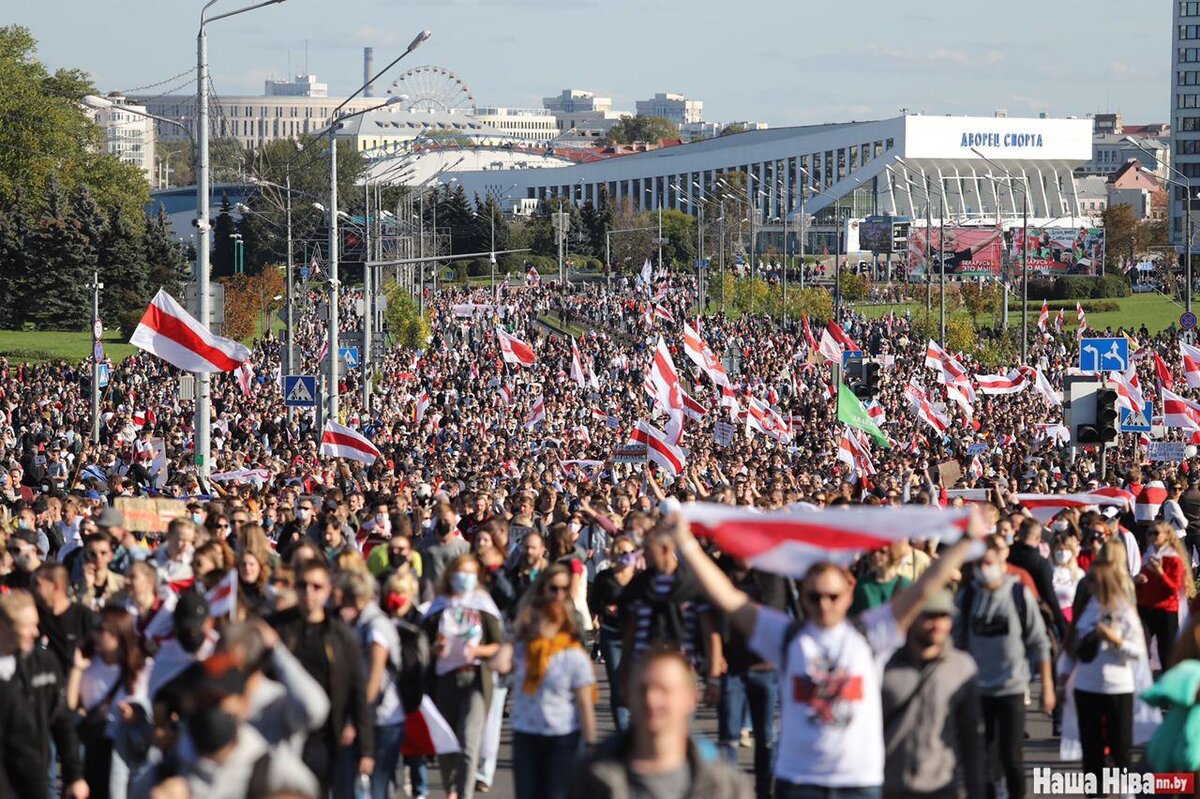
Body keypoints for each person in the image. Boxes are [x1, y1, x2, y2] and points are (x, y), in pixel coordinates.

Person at [668, 510, 983, 799]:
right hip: (799, 779)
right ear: (802, 597)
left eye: (832, 596)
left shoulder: (870, 634)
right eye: (814, 596)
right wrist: (686, 543)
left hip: (859, 782)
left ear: (849, 595)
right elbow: (727, 597)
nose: (823, 604)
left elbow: (924, 588)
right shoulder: (786, 637)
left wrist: (967, 539)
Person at [566, 647, 751, 799]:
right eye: (642, 689)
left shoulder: (725, 787)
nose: (651, 700)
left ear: (690, 699)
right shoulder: (590, 779)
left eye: (664, 690)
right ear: (627, 695)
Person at [955, 536, 1054, 799]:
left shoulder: (1018, 594)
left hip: (1011, 687)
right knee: (983, 760)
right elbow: (956, 644)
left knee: (1012, 757)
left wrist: (1047, 686)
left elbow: (1039, 641)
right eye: (979, 563)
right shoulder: (967, 598)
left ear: (1001, 562)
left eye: (988, 562)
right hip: (978, 691)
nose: (984, 568)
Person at [270, 559, 372, 799]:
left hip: (326, 737)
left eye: (316, 586)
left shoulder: (341, 636)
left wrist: (366, 749)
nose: (309, 592)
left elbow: (358, 690)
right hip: (283, 734)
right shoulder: (276, 628)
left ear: (328, 590)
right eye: (303, 585)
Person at [881, 589, 984, 799]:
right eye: (929, 616)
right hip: (892, 787)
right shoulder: (884, 666)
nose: (937, 624)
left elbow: (971, 738)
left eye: (943, 616)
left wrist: (976, 790)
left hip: (942, 787)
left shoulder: (962, 667)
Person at [422, 554, 504, 799]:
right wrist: (436, 649)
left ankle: (464, 794)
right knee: (448, 743)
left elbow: (498, 645)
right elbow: (422, 644)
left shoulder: (482, 604)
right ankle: (451, 790)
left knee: (469, 742)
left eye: (470, 573)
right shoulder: (438, 606)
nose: (464, 579)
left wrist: (477, 650)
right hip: (445, 679)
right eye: (460, 573)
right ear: (450, 575)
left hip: (476, 680)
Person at [502, 595, 596, 799]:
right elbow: (499, 664)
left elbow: (584, 704)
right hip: (526, 735)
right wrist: (516, 634)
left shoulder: (574, 657)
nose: (538, 622)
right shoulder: (523, 650)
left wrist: (589, 744)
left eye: (545, 618)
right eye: (535, 617)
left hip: (561, 737)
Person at [1067, 558, 1146, 792]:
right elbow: (1071, 647)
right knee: (1091, 753)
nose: (1092, 585)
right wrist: (1061, 678)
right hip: (1086, 687)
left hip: (1118, 688)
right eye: (1090, 581)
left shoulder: (1124, 610)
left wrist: (1115, 641)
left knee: (1121, 750)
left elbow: (1139, 652)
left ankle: (1125, 793)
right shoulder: (1084, 610)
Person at [713, 554, 788, 799]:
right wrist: (714, 658)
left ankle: (765, 791)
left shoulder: (772, 576)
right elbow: (712, 617)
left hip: (765, 667)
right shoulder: (722, 572)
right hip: (731, 666)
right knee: (728, 737)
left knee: (766, 736)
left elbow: (784, 614)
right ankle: (729, 792)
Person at [0, 590, 86, 799]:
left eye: (36, 624)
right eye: (26, 626)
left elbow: (62, 721)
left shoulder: (44, 663)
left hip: (37, 777)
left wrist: (74, 775)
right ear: (3, 627)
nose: (35, 632)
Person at [66, 605, 154, 799]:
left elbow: (152, 708)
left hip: (128, 750)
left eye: (101, 630)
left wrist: (134, 714)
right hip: (96, 749)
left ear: (118, 633)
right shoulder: (90, 665)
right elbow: (71, 704)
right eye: (95, 629)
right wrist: (77, 668)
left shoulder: (143, 668)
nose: (95, 635)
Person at [336, 568, 403, 799]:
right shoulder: (356, 623)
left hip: (382, 719)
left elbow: (374, 680)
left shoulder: (376, 627)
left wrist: (356, 721)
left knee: (376, 788)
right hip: (364, 717)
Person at [588, 535, 639, 731]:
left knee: (635, 681)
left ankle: (637, 725)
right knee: (617, 683)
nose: (628, 556)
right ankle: (622, 731)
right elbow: (594, 602)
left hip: (635, 635)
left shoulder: (639, 577)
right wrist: (604, 609)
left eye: (631, 552)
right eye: (624, 552)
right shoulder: (605, 576)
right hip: (612, 634)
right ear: (616, 554)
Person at [1134, 521, 1192, 670]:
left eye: (1156, 533)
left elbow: (1174, 589)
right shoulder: (1147, 555)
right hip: (1145, 607)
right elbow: (1143, 586)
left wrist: (1160, 573)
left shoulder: (1173, 559)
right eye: (1149, 533)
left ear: (1166, 536)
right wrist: (1137, 581)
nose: (1152, 536)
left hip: (1166, 610)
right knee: (1141, 649)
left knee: (1166, 653)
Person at [850, 547, 912, 615]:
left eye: (882, 552)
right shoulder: (863, 583)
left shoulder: (905, 585)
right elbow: (853, 616)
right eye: (874, 550)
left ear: (894, 555)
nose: (876, 554)